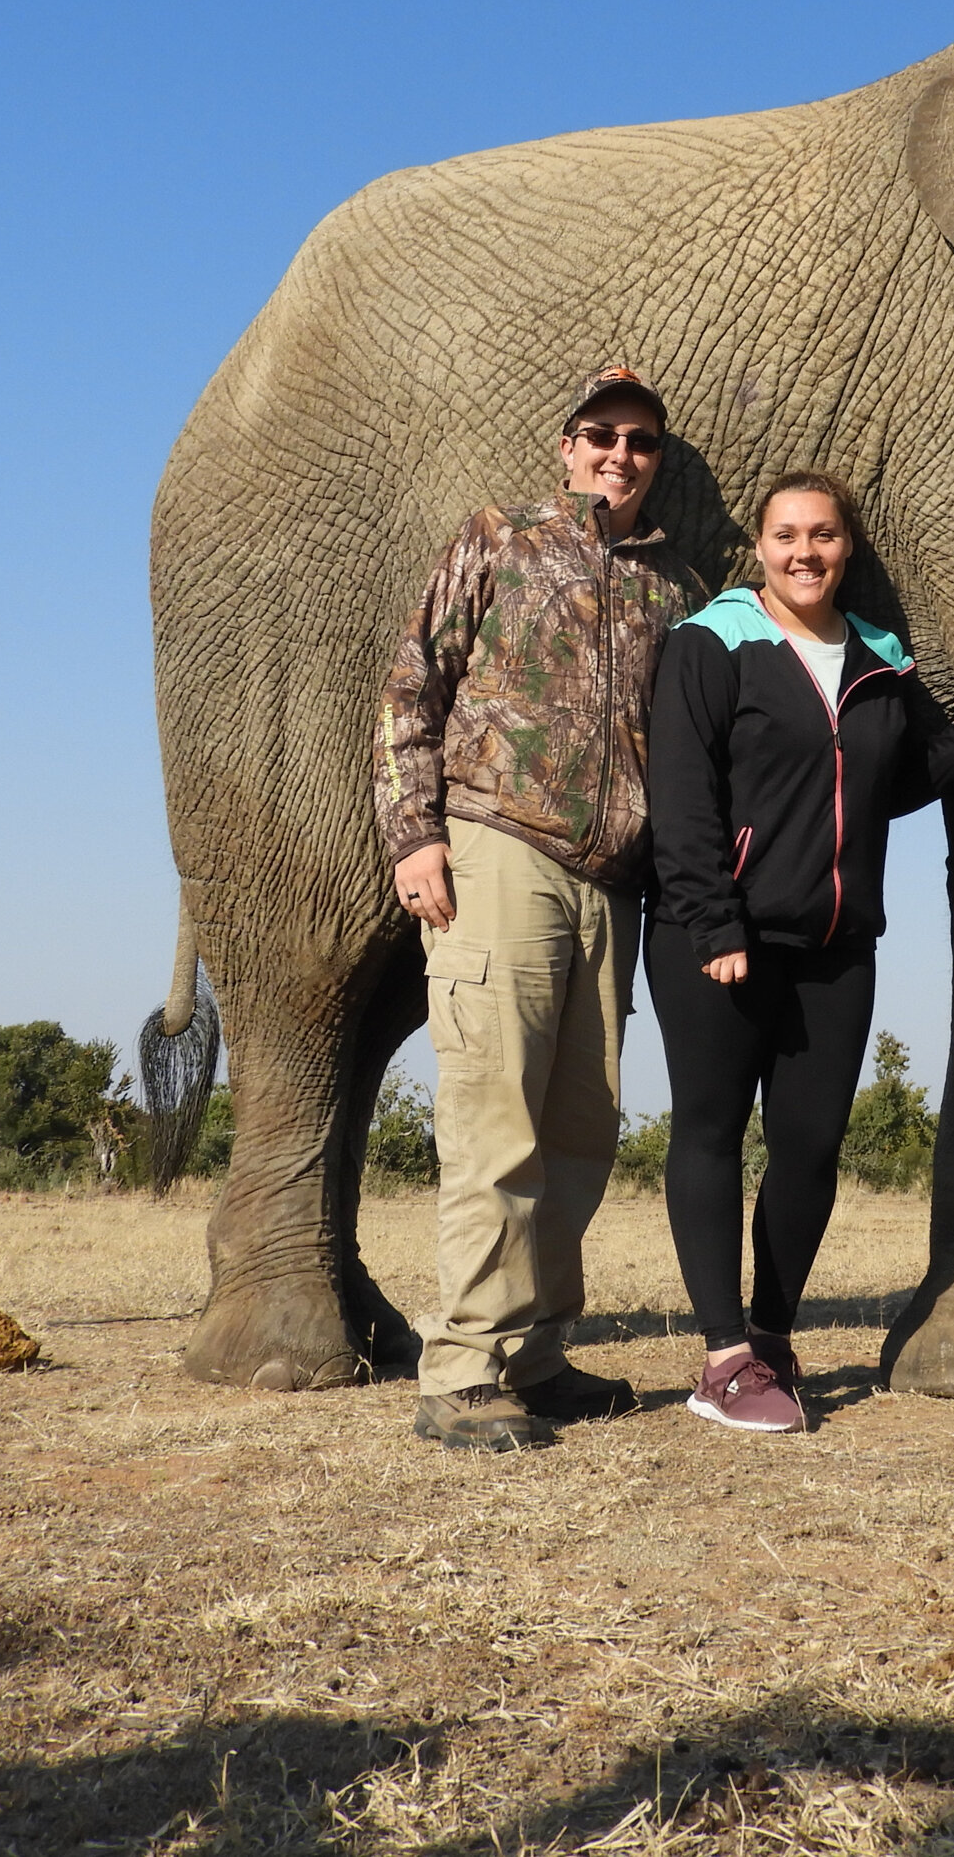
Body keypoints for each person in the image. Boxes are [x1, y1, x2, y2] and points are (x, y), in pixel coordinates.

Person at [378, 365, 706, 1451]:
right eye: (600, 434)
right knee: (494, 1120)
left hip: (617, 883)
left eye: (641, 441)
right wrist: (414, 836)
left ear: (659, 460)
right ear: (565, 445)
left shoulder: (680, 589)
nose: (619, 453)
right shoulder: (497, 536)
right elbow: (412, 685)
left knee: (579, 1130)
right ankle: (464, 1371)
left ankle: (534, 1353)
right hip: (498, 851)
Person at [644, 473, 954, 1431]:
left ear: (848, 548)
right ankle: (721, 1362)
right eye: (787, 535)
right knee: (710, 1133)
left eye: (823, 536)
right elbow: (682, 794)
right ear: (759, 547)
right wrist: (714, 924)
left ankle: (771, 1338)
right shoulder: (713, 643)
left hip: (837, 941)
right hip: (717, 938)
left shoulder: (879, 657)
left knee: (811, 1148)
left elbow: (898, 776)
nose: (805, 552)